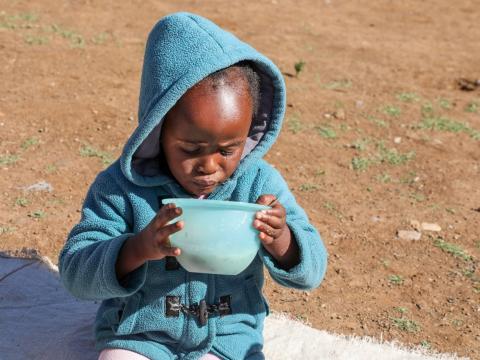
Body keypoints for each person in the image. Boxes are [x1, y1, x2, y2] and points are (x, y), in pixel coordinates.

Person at [59, 12, 328, 360]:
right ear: (157, 130)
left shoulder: (259, 184)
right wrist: (138, 248)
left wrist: (282, 240)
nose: (210, 166)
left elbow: (312, 271)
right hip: (140, 333)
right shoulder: (120, 188)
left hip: (228, 336)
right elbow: (74, 274)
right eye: (190, 149)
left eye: (228, 150)